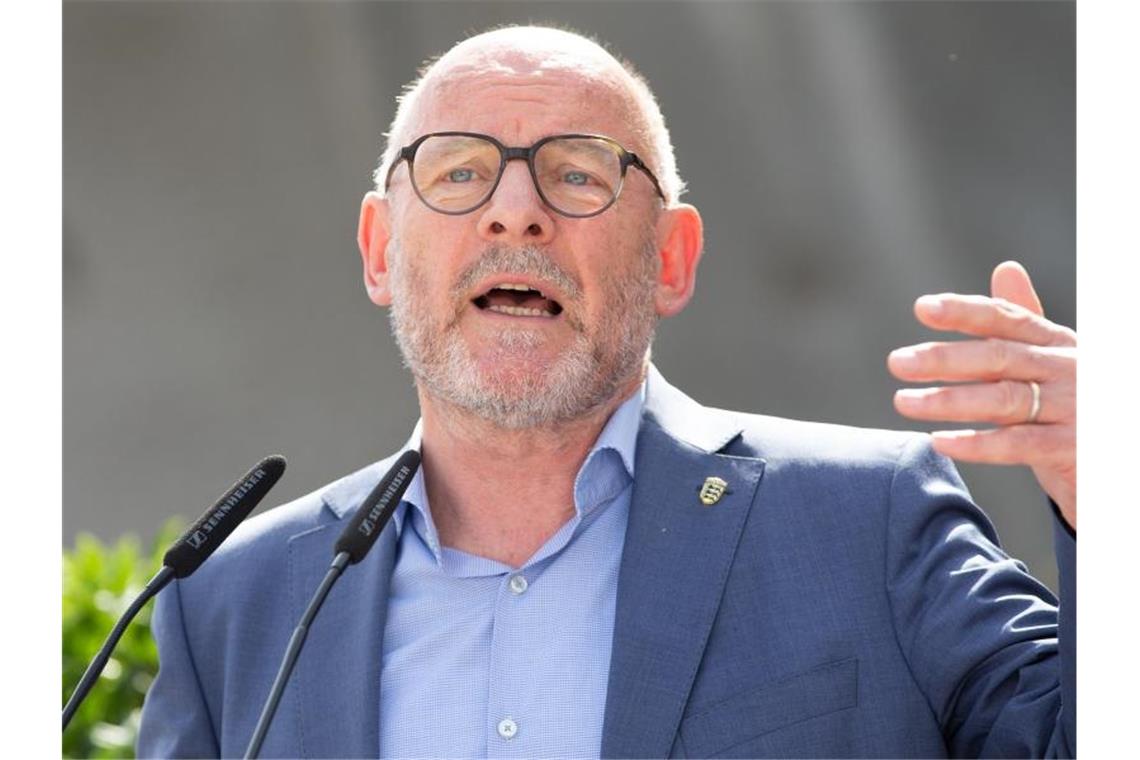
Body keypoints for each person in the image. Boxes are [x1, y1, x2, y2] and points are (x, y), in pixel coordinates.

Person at [137, 26, 1076, 759]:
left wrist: (1105, 496)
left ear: (670, 259)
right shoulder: (231, 601)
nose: (515, 211)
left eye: (579, 173)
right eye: (459, 172)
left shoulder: (866, 522)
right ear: (382, 249)